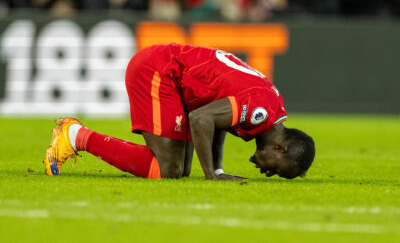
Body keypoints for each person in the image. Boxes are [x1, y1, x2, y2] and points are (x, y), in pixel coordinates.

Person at [43, 43, 315, 180]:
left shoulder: (271, 110)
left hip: (175, 80)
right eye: (278, 170)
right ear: (280, 149)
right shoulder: (260, 111)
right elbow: (202, 118)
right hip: (159, 72)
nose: (268, 173)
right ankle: (75, 135)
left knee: (182, 169)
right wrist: (211, 176)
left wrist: (218, 170)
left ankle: (77, 135)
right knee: (168, 169)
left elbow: (217, 120)